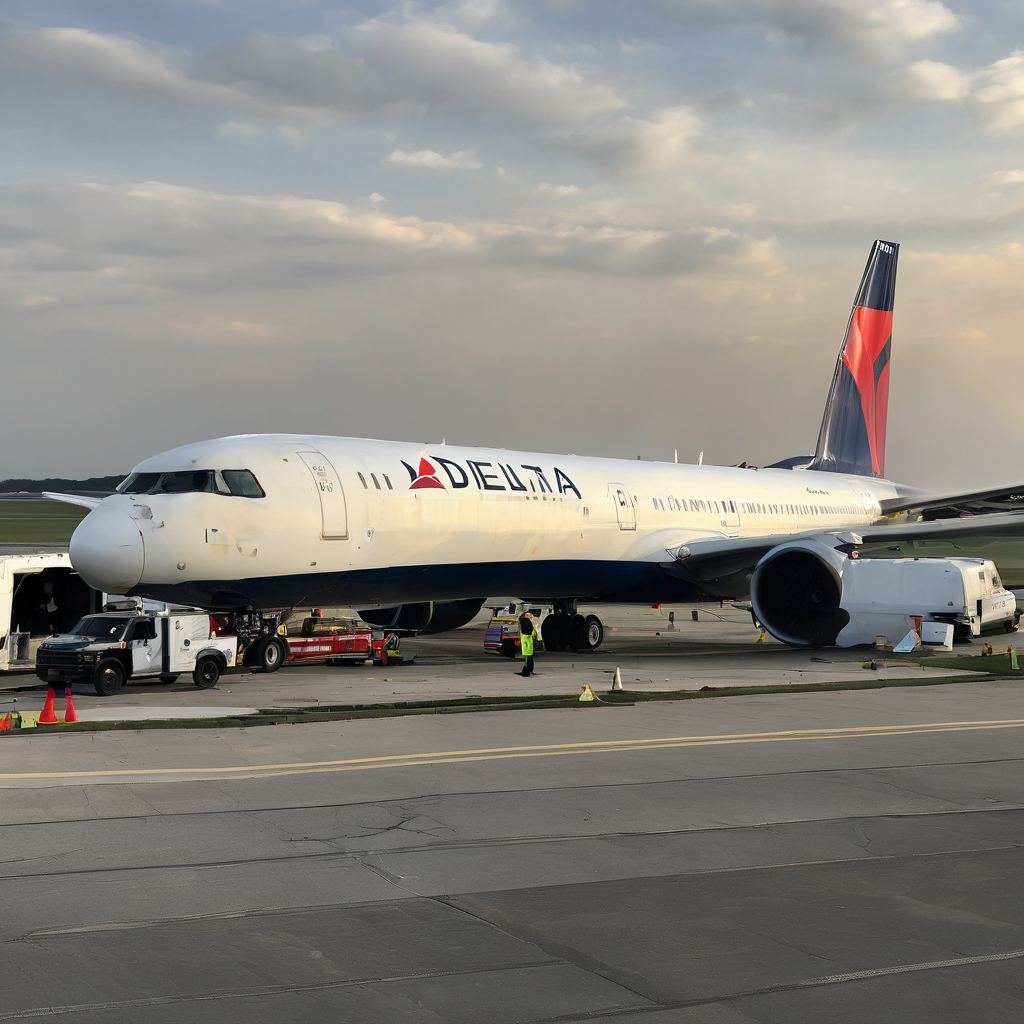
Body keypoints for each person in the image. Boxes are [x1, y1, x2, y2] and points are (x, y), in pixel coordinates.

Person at [518, 612, 537, 677]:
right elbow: (527, 631)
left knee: (528, 657)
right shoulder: (525, 622)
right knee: (528, 657)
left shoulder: (527, 621)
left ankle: (528, 670)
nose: (531, 615)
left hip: (528, 641)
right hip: (527, 641)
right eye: (529, 615)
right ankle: (527, 670)